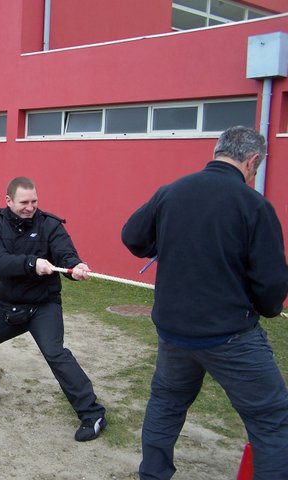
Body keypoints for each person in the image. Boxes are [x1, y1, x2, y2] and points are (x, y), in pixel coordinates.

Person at [121, 126, 288, 479]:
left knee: (166, 404)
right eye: (256, 168)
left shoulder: (172, 192)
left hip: (174, 332)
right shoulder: (254, 205)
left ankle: (153, 474)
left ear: (217, 152)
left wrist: (164, 242)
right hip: (231, 336)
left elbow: (133, 236)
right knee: (271, 420)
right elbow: (272, 288)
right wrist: (263, 308)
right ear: (252, 161)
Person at [0, 176, 107, 442]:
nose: (30, 207)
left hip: (44, 305)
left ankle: (92, 413)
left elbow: (65, 254)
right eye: (24, 202)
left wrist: (76, 267)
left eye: (34, 201)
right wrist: (32, 263)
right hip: (10, 306)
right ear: (8, 201)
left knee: (55, 353)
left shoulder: (50, 224)